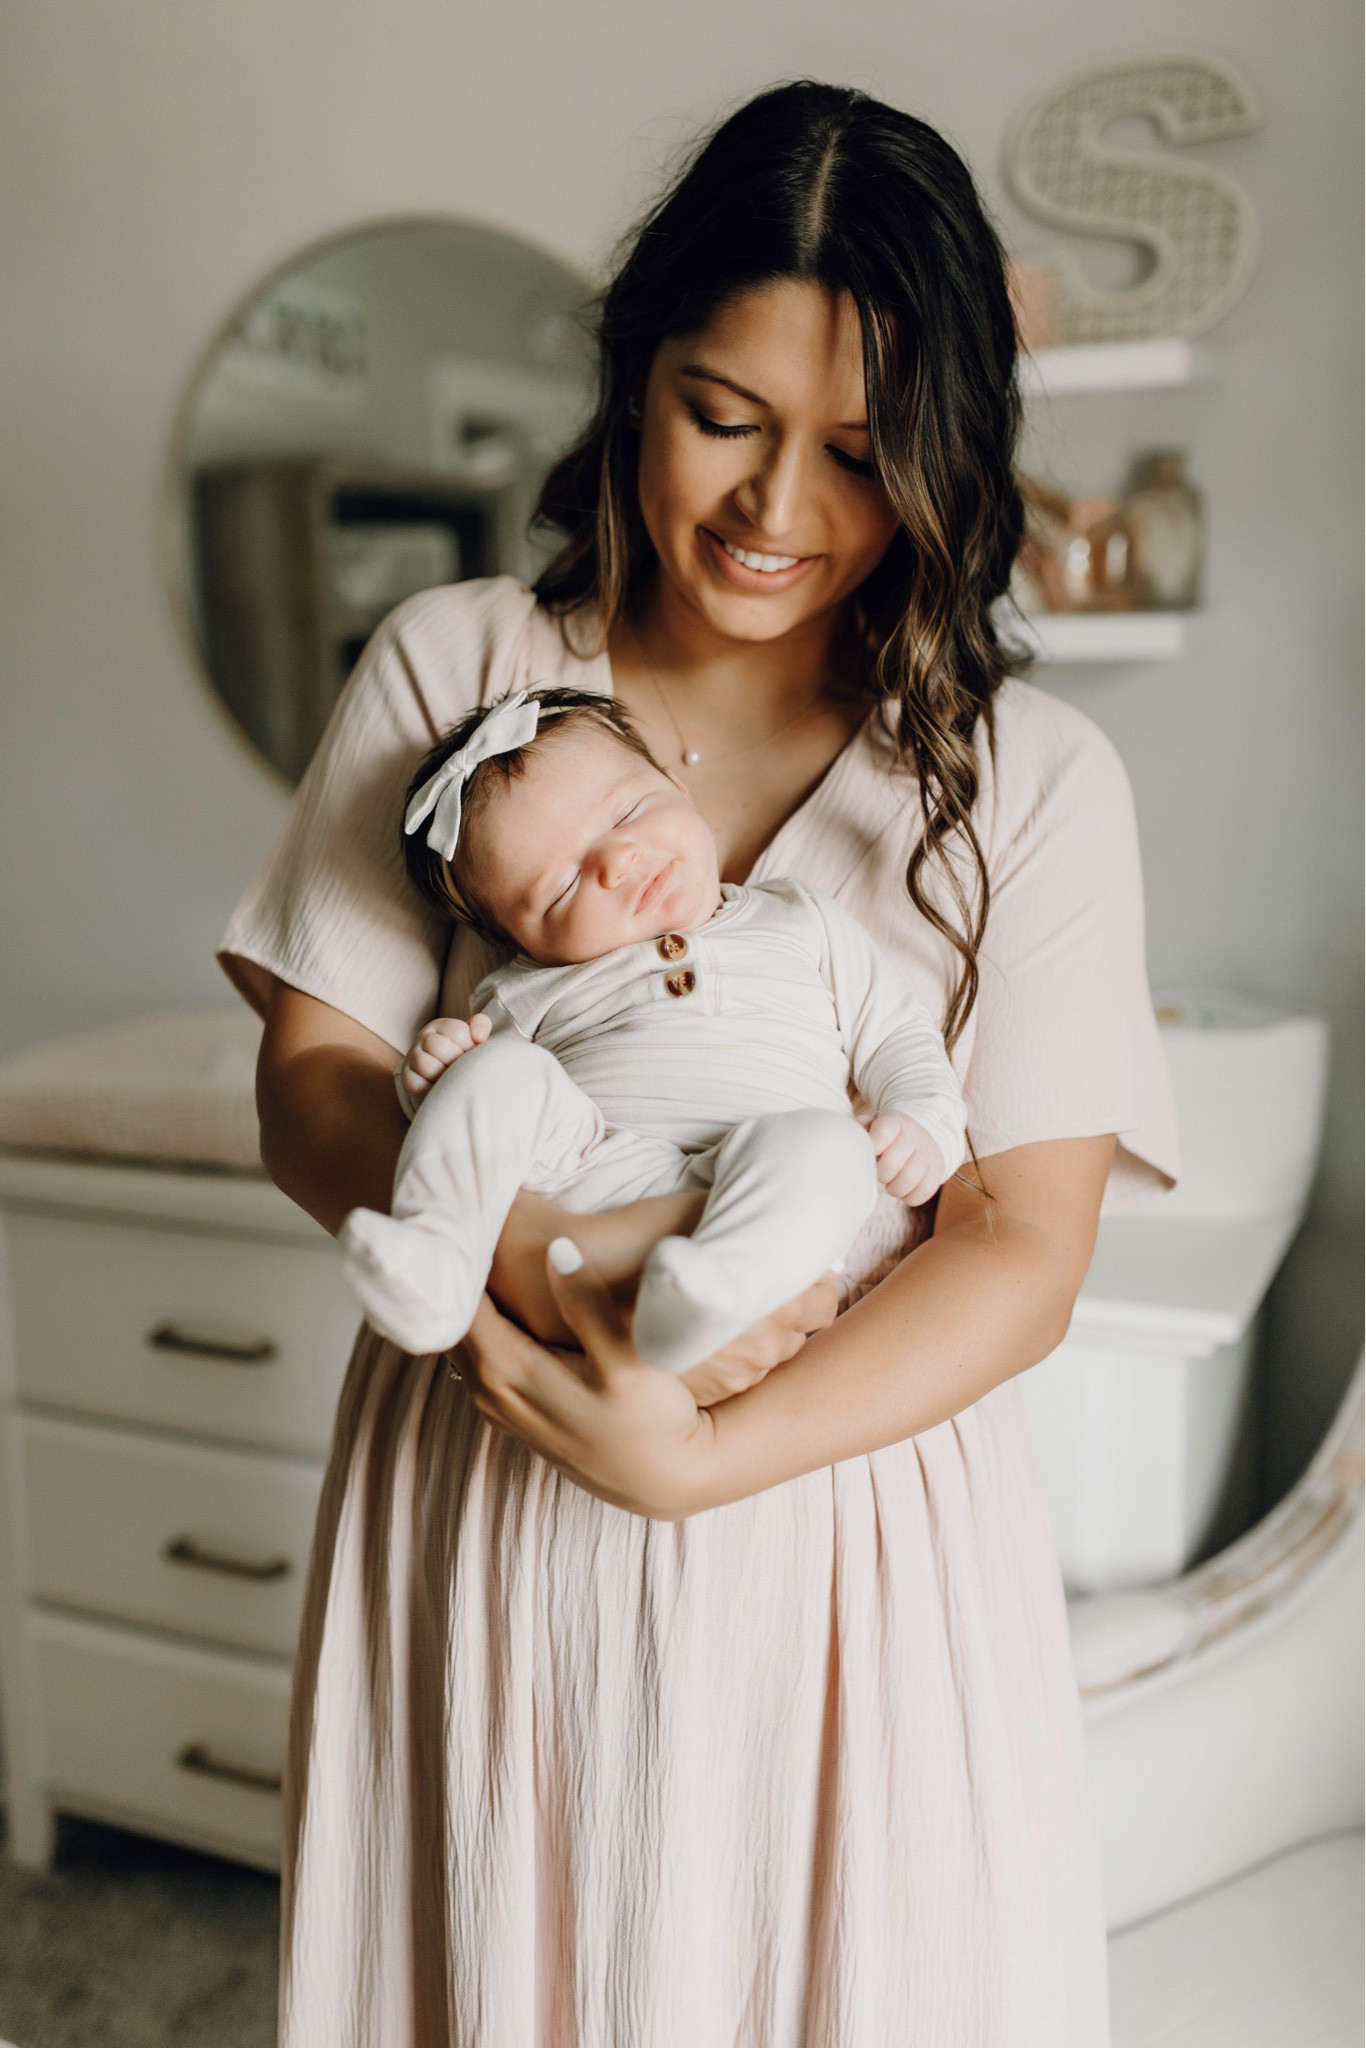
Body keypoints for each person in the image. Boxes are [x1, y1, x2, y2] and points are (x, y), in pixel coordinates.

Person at [219, 79, 1177, 2047]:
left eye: (853, 450)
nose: (772, 510)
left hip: (846, 1520)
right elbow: (315, 1077)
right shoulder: (456, 671)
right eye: (719, 417)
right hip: (497, 1450)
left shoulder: (1031, 781)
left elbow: (1020, 1243)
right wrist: (553, 1275)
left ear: (947, 448)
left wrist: (707, 1449)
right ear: (628, 371)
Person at [339, 685, 965, 1368]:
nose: (617, 862)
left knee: (837, 1149)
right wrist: (432, 1074)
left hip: (768, 1185)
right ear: (522, 942)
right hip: (601, 1173)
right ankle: (438, 1253)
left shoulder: (798, 918)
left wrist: (923, 1119)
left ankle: (714, 1294)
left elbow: (898, 1032)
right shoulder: (524, 990)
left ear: (678, 788)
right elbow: (493, 1122)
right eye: (563, 886)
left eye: (629, 812)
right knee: (494, 1072)